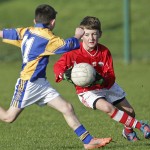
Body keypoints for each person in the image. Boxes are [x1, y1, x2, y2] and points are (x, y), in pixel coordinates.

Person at [0, 5, 112, 149]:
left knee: (67, 108)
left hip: (40, 83)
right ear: (53, 22)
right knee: (9, 117)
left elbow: (5, 34)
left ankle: (88, 141)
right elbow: (68, 45)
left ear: (35, 20)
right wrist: (77, 35)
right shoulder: (47, 38)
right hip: (28, 82)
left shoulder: (26, 30)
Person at [54, 16, 150, 142]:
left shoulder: (104, 52)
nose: (91, 38)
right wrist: (64, 75)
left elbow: (111, 75)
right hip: (87, 91)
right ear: (82, 36)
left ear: (100, 34)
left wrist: (101, 80)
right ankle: (142, 126)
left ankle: (128, 131)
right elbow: (58, 66)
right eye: (87, 34)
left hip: (107, 86)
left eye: (94, 34)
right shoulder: (74, 52)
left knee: (130, 112)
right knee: (108, 108)